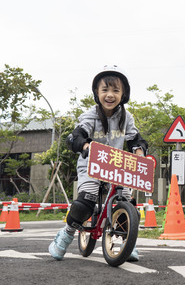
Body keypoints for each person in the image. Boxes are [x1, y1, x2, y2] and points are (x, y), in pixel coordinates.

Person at [49, 65, 148, 261]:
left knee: (125, 202)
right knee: (86, 201)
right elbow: (75, 137)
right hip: (91, 165)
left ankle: (127, 241)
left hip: (118, 167)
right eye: (105, 90)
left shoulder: (126, 118)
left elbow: (136, 139)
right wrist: (85, 146)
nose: (110, 95)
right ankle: (66, 233)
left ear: (123, 94)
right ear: (97, 92)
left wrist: (139, 151)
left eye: (115, 90)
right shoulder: (91, 116)